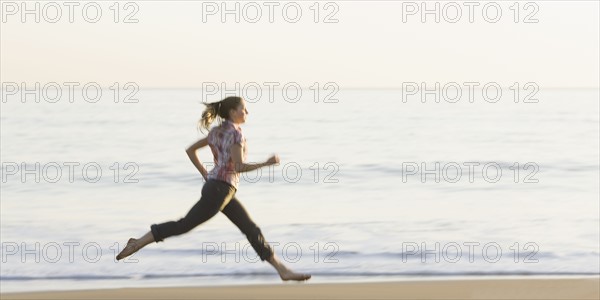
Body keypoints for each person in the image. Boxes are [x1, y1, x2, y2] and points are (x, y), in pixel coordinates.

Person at [115, 96, 311, 281]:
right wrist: (266, 164)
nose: (247, 112)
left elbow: (190, 150)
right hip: (221, 190)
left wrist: (205, 173)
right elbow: (239, 166)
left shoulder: (216, 132)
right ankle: (138, 243)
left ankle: (282, 270)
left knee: (251, 229)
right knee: (184, 225)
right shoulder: (236, 134)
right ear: (234, 112)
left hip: (218, 188)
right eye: (244, 108)